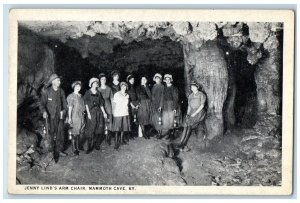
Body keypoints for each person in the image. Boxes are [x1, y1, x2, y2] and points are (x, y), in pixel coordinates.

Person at [39, 74, 68, 162]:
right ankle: (51, 152)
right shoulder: (47, 91)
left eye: (59, 80)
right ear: (53, 82)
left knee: (60, 133)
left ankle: (59, 150)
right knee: (51, 134)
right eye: (58, 81)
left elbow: (65, 104)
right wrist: (44, 112)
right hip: (50, 117)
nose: (60, 82)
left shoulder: (61, 91)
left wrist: (64, 111)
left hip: (60, 117)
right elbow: (42, 104)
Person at [176, 81, 207, 152]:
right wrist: (188, 114)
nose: (192, 88)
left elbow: (202, 105)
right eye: (191, 87)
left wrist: (195, 113)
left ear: (197, 87)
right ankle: (181, 143)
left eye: (194, 86)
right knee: (186, 126)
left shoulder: (201, 94)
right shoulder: (190, 96)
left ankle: (182, 144)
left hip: (199, 112)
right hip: (191, 112)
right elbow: (189, 106)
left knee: (189, 126)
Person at [83, 78, 108, 154]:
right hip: (91, 112)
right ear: (91, 84)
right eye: (94, 83)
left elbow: (101, 104)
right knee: (91, 129)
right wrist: (88, 113)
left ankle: (96, 144)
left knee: (99, 128)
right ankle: (89, 146)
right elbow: (86, 104)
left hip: (99, 112)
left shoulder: (98, 93)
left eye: (96, 83)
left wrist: (104, 113)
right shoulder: (87, 92)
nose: (95, 84)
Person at [66, 81, 85, 156]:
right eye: (77, 86)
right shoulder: (71, 96)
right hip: (74, 116)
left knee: (79, 133)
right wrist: (70, 118)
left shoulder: (81, 96)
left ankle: (78, 147)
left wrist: (83, 114)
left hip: (81, 116)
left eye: (79, 86)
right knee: (74, 133)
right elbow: (70, 108)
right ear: (74, 87)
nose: (78, 87)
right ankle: (74, 149)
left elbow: (83, 107)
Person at [161, 74, 182, 140]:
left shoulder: (174, 88)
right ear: (165, 80)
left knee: (172, 120)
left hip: (171, 105)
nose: (167, 80)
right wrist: (161, 106)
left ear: (170, 80)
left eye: (168, 79)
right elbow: (162, 98)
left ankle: (172, 135)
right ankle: (167, 134)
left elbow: (176, 98)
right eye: (166, 79)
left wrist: (175, 108)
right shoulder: (163, 88)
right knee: (166, 120)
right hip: (165, 105)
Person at [112, 82, 131, 149]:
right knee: (117, 129)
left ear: (126, 87)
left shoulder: (127, 95)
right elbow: (114, 104)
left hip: (125, 112)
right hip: (118, 113)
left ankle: (122, 140)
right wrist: (113, 112)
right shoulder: (117, 94)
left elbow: (127, 104)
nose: (123, 87)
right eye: (122, 86)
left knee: (123, 128)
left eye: (125, 86)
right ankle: (116, 143)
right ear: (120, 87)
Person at [98, 73, 113, 146]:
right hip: (100, 106)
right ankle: (100, 138)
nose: (103, 80)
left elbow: (112, 99)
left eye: (105, 79)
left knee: (109, 121)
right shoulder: (98, 89)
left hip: (108, 105)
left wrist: (113, 108)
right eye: (102, 79)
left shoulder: (109, 88)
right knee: (101, 122)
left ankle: (107, 138)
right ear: (100, 80)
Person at [150, 73, 164, 139]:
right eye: (156, 78)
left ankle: (160, 133)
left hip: (159, 105)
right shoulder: (154, 86)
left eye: (158, 78)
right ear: (154, 79)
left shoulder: (162, 86)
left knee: (159, 118)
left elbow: (162, 97)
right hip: (154, 105)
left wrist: (160, 106)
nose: (157, 80)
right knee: (155, 119)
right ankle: (158, 132)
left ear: (160, 79)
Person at [127, 74, 139, 139]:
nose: (132, 81)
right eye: (131, 79)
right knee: (131, 119)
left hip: (135, 104)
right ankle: (130, 134)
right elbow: (127, 97)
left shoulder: (134, 88)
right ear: (128, 80)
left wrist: (137, 104)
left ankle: (135, 133)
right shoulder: (127, 88)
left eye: (133, 79)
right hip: (130, 105)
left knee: (136, 119)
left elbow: (137, 97)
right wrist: (131, 104)